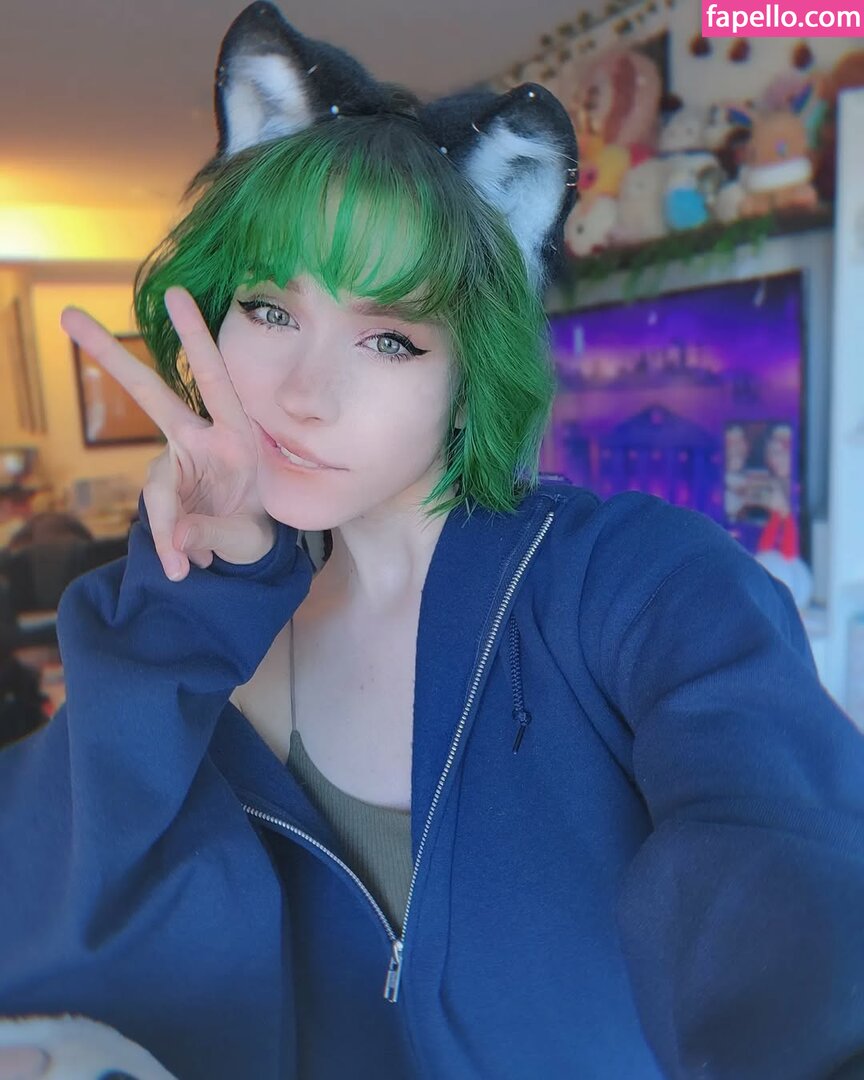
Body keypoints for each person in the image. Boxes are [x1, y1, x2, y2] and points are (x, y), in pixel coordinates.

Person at [1, 5, 864, 1079]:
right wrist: (188, 603)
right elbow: (42, 884)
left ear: (472, 373)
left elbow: (784, 850)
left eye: (391, 337)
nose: (303, 393)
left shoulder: (636, 583)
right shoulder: (206, 610)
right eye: (270, 310)